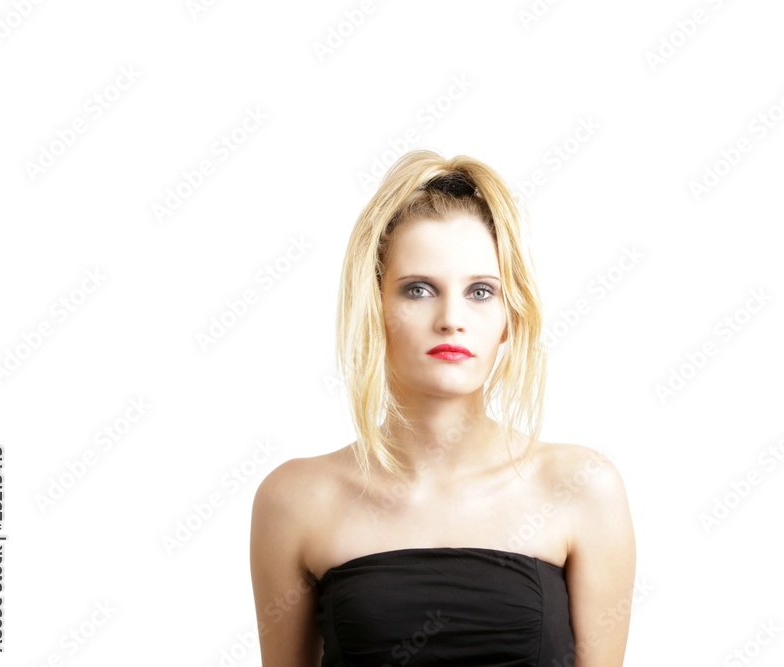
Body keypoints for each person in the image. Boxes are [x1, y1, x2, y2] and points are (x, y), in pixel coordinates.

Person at [249, 149, 635, 666]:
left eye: (481, 291)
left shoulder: (581, 487)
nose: (452, 318)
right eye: (418, 289)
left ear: (510, 315)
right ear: (375, 307)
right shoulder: (296, 499)